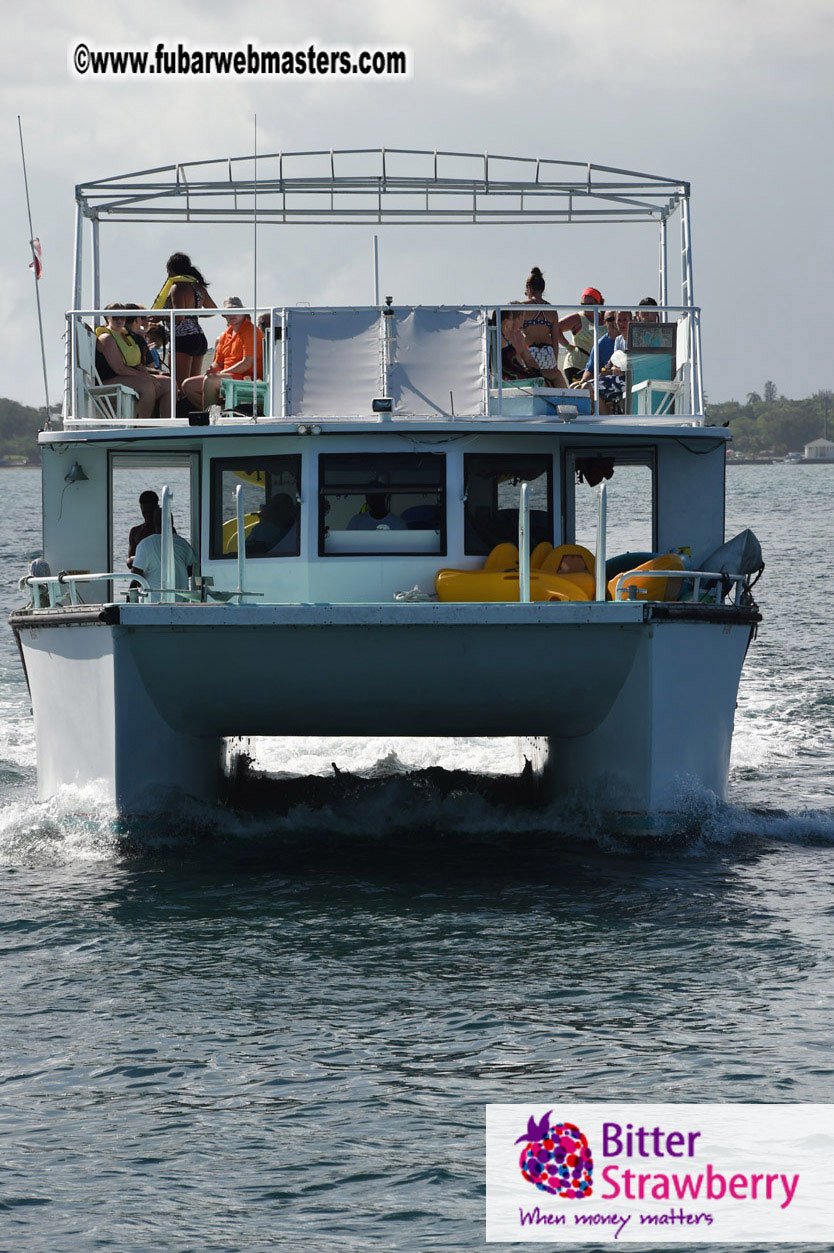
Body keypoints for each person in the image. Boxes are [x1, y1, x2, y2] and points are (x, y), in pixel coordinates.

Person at [181, 297, 265, 410]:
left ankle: (210, 420)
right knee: (188, 385)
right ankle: (218, 412)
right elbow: (218, 363)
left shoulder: (251, 331)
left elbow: (246, 364)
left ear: (243, 313)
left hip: (248, 378)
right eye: (228, 312)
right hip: (229, 376)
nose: (232, 314)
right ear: (224, 316)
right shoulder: (226, 335)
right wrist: (210, 371)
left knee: (210, 381)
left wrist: (221, 373)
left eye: (236, 310)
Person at [151, 253, 216, 396]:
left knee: (179, 387)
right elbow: (212, 311)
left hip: (182, 339)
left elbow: (179, 316)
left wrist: (155, 318)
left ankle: (180, 416)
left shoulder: (177, 287)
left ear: (172, 271)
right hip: (198, 338)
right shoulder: (199, 288)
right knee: (191, 387)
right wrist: (194, 313)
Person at [94, 304, 171, 420]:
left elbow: (138, 364)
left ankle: (167, 425)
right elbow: (119, 368)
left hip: (130, 377)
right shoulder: (106, 338)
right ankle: (141, 428)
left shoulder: (128, 336)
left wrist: (149, 375)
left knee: (169, 384)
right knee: (146, 385)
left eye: (122, 317)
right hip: (109, 379)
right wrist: (148, 378)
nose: (119, 320)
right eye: (115, 317)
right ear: (107, 317)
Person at [510, 267, 569, 387]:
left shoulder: (523, 307)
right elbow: (555, 340)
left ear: (529, 288)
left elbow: (515, 334)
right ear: (542, 289)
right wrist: (554, 363)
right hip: (548, 353)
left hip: (531, 353)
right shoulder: (551, 310)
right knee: (552, 381)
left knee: (535, 381)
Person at [130, 506, 198, 599]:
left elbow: (136, 576)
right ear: (172, 523)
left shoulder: (145, 544)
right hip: (180, 602)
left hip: (152, 602)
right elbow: (191, 570)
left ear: (154, 524)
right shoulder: (184, 544)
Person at [559, 287, 605, 383]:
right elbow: (554, 328)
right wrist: (568, 346)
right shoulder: (577, 318)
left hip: (597, 368)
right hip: (576, 365)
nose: (586, 307)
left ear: (599, 304)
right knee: (581, 392)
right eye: (583, 304)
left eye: (590, 304)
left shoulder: (606, 319)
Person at [128, 490, 160, 560]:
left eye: (151, 512)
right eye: (145, 512)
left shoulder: (166, 530)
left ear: (157, 508)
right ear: (140, 508)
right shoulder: (135, 532)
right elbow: (130, 559)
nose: (148, 515)